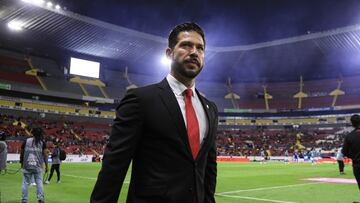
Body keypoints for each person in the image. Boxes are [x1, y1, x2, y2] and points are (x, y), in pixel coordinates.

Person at [91, 22, 218, 203]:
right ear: (169, 53)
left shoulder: (210, 108)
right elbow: (114, 166)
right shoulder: (141, 100)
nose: (194, 52)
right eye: (186, 45)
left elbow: (208, 169)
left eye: (200, 48)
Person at [20, 127, 48, 203]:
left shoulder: (26, 141)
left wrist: (21, 162)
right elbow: (45, 155)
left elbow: (21, 152)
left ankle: (24, 200)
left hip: (27, 166)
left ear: (33, 133)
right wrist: (47, 166)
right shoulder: (42, 142)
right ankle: (40, 199)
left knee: (25, 183)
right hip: (38, 167)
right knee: (39, 183)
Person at [342, 114, 360, 191]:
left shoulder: (349, 136)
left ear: (352, 124)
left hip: (357, 165)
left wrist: (353, 156)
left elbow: (344, 152)